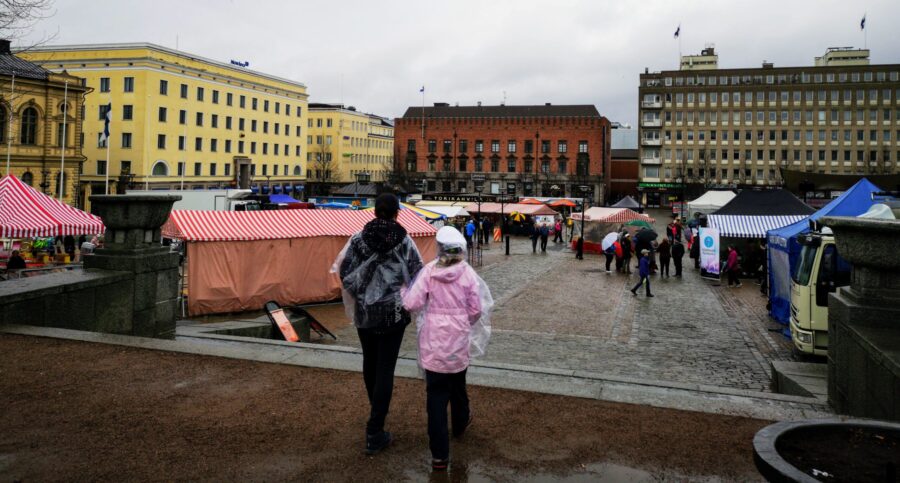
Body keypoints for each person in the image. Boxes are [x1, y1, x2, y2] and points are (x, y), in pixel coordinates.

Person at [336, 193, 425, 456]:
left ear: (375, 211)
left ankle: (376, 413)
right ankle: (375, 428)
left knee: (370, 362)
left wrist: (363, 293)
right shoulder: (405, 241)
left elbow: (344, 272)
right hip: (393, 313)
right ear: (398, 212)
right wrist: (401, 294)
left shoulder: (358, 239)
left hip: (365, 312)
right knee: (386, 368)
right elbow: (417, 273)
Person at [402, 226, 493, 472]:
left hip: (434, 345)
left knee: (436, 399)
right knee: (458, 384)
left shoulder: (429, 272)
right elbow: (476, 310)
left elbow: (412, 303)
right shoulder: (468, 274)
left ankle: (440, 456)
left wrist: (403, 290)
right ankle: (461, 422)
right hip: (459, 341)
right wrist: (462, 323)